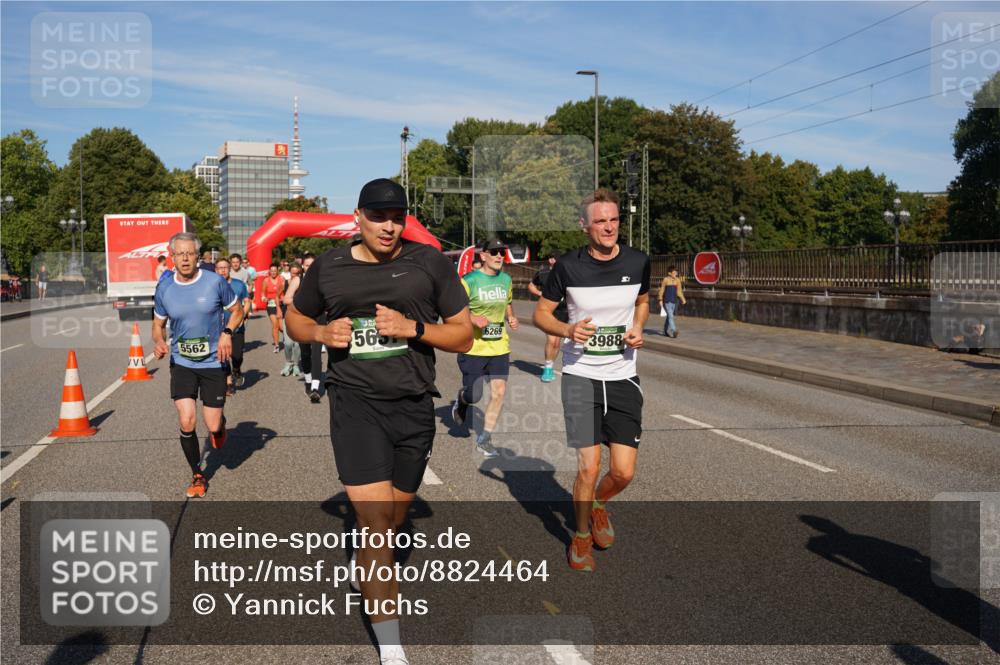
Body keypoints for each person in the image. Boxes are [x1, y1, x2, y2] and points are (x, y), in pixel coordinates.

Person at [286, 178, 472, 665]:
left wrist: (413, 328)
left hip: (413, 406)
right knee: (376, 528)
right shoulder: (330, 267)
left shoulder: (428, 262)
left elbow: (464, 336)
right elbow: (295, 321)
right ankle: (392, 650)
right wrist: (323, 332)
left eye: (397, 217)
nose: (389, 227)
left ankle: (366, 559)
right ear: (358, 217)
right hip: (355, 405)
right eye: (378, 217)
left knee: (394, 518)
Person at [533, 188, 650, 573]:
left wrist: (637, 327)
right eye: (600, 221)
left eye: (613, 220)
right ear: (584, 226)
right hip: (581, 375)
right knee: (588, 467)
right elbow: (541, 315)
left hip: (622, 377)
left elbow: (643, 301)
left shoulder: (638, 261)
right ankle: (580, 535)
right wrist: (567, 330)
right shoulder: (567, 267)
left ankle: (599, 504)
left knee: (623, 472)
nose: (608, 227)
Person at [152, 232, 243, 498]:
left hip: (214, 362)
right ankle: (197, 474)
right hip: (182, 362)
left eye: (189, 253)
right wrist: (158, 341)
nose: (184, 258)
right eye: (179, 253)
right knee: (187, 418)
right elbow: (157, 325)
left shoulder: (215, 282)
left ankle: (220, 427)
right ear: (172, 257)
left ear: (198, 256)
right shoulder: (165, 289)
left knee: (213, 424)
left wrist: (227, 332)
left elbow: (238, 311)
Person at [451, 239, 519, 458]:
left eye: (502, 253)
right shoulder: (469, 281)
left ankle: (485, 439)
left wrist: (511, 317)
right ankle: (463, 401)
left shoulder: (506, 280)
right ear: (483, 255)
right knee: (474, 395)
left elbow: (507, 302)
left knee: (499, 393)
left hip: (499, 347)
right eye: (495, 252)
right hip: (473, 348)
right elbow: (454, 310)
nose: (500, 256)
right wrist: (472, 318)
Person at [528, 256, 567, 382]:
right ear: (550, 260)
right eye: (554, 258)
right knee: (552, 341)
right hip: (549, 312)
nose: (556, 261)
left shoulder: (567, 272)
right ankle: (548, 368)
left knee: (560, 343)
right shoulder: (543, 273)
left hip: (565, 311)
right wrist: (541, 294)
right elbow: (531, 286)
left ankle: (552, 365)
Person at [216, 257, 251, 394]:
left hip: (237, 326)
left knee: (237, 355)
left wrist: (243, 315)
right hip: (219, 327)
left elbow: (247, 301)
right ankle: (228, 382)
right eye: (219, 268)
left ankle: (236, 369)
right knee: (224, 355)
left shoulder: (239, 285)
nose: (222, 270)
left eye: (225, 267)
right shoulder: (212, 285)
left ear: (229, 269)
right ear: (216, 270)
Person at [298, 253, 325, 402]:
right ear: (303, 266)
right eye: (307, 265)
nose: (309, 268)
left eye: (312, 265)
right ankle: (308, 381)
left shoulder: (323, 280)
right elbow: (288, 298)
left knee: (316, 353)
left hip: (319, 320)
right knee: (305, 353)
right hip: (302, 320)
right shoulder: (297, 280)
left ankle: (315, 387)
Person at [280, 263, 303, 376]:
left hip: (299, 317)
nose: (295, 275)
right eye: (293, 273)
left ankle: (296, 365)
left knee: (297, 344)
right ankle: (288, 363)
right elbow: (277, 295)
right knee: (288, 343)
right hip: (287, 315)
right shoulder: (285, 282)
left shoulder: (303, 283)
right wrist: (279, 311)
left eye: (297, 273)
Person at [657, 266, 686, 338]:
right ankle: (674, 330)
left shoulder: (678, 280)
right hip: (667, 301)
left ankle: (665, 330)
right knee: (671, 316)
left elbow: (679, 291)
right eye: (674, 272)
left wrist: (683, 299)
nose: (676, 273)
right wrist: (660, 299)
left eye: (676, 272)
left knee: (669, 317)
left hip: (674, 301)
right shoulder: (665, 280)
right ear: (669, 273)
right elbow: (662, 290)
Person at [262, 264, 285, 353]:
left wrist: (284, 298)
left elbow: (286, 290)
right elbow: (263, 293)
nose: (273, 273)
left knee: (282, 328)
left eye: (275, 271)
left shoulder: (282, 279)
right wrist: (264, 298)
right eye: (271, 271)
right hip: (271, 305)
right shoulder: (266, 280)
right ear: (269, 271)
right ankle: (276, 345)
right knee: (275, 325)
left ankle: (285, 338)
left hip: (281, 304)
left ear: (277, 271)